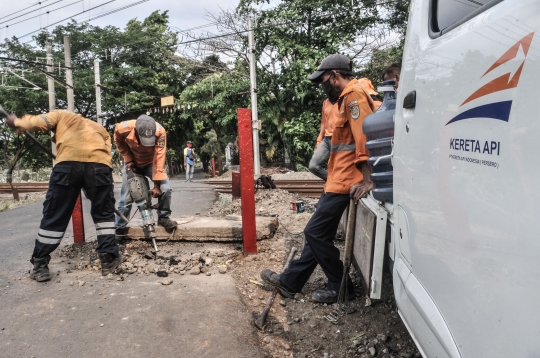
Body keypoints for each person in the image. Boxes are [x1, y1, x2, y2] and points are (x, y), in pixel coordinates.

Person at [260, 54, 376, 303]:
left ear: (335, 75)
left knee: (314, 232)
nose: (323, 86)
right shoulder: (344, 98)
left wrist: (367, 179)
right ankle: (291, 282)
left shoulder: (353, 96)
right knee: (318, 232)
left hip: (347, 181)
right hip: (338, 178)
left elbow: (363, 139)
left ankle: (340, 286)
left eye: (324, 80)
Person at [5, 110, 121, 282]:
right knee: (104, 214)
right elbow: (107, 152)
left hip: (67, 165)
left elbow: (39, 122)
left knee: (55, 215)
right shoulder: (99, 127)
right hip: (99, 167)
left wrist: (17, 122)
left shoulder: (62, 115)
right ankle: (108, 260)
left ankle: (40, 265)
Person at [114, 115, 177, 230]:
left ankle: (163, 217)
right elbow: (118, 142)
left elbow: (160, 158)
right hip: (132, 162)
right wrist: (129, 159)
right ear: (136, 131)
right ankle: (120, 227)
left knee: (166, 189)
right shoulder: (122, 128)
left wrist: (157, 186)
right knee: (126, 197)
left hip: (151, 163)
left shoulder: (160, 132)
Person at [309, 99, 338, 182]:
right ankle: (334, 182)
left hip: (340, 139)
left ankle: (337, 186)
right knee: (314, 166)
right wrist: (319, 140)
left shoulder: (345, 99)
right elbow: (323, 122)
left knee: (337, 168)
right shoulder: (326, 102)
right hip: (326, 139)